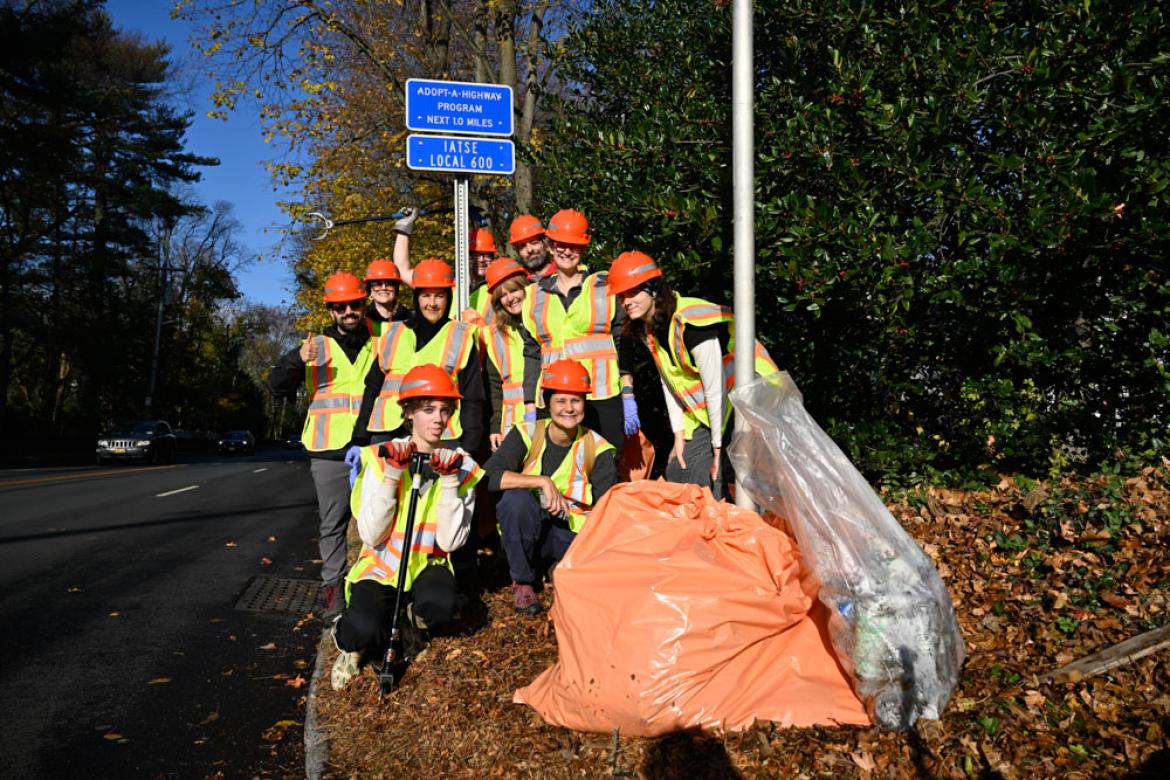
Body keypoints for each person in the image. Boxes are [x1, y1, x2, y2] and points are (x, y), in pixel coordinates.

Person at [330, 364, 483, 689]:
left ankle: (411, 625)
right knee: (364, 627)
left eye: (445, 410)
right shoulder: (380, 458)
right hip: (383, 566)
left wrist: (450, 482)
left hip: (428, 565)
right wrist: (392, 476)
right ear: (409, 412)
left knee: (441, 607)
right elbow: (371, 535)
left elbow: (451, 540)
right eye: (428, 409)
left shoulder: (462, 466)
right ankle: (350, 645)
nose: (439, 419)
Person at [607, 251, 777, 498]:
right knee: (681, 469)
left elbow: (714, 386)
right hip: (720, 407)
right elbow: (669, 380)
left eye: (632, 292)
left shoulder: (692, 321)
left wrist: (718, 447)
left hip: (754, 395)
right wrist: (679, 434)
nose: (626, 301)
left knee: (726, 477)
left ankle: (748, 529)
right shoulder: (649, 327)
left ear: (653, 289)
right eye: (621, 296)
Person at [267, 272, 382, 616]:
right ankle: (333, 590)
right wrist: (295, 360)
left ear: (365, 305)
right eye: (340, 306)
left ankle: (370, 587)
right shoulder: (314, 346)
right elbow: (276, 387)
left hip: (371, 445)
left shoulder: (380, 341)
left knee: (377, 521)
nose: (349, 310)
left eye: (355, 304)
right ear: (331, 311)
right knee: (333, 525)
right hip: (329, 451)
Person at [483, 358, 617, 616]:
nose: (569, 409)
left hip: (572, 536)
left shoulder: (597, 448)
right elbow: (489, 476)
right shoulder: (526, 433)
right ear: (547, 403)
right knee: (515, 500)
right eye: (561, 401)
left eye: (576, 401)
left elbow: (606, 510)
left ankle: (562, 568)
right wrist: (541, 481)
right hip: (530, 534)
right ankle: (523, 582)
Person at [521, 208, 636, 458]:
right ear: (550, 247)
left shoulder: (604, 286)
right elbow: (531, 354)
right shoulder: (532, 296)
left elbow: (622, 339)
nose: (566, 251)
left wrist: (628, 391)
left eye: (573, 245)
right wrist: (530, 405)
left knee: (605, 465)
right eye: (560, 244)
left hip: (602, 395)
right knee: (557, 468)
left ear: (583, 248)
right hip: (554, 397)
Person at [364, 257, 484, 453]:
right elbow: (372, 388)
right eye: (426, 295)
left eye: (439, 296)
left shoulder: (461, 335)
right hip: (387, 432)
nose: (432, 303)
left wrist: (468, 445)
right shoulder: (393, 333)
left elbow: (473, 396)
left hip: (440, 435)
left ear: (448, 298)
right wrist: (361, 437)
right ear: (416, 297)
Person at [481, 257, 542, 451]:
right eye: (503, 295)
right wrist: (495, 427)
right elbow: (495, 387)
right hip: (512, 427)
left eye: (514, 290)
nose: (510, 298)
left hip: (549, 420)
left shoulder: (545, 323)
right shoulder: (495, 335)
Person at [465, 227, 499, 326]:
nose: (481, 260)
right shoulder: (455, 290)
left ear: (493, 258)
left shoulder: (500, 289)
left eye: (486, 255)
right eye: (475, 255)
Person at [363, 257, 409, 329]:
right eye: (377, 283)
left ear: (396, 288)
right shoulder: (361, 320)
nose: (384, 287)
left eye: (389, 283)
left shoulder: (410, 319)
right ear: (370, 289)